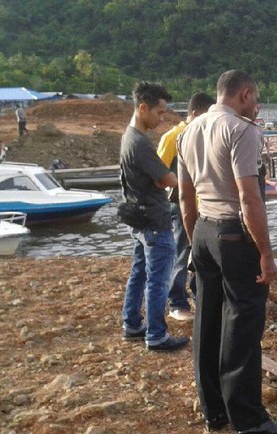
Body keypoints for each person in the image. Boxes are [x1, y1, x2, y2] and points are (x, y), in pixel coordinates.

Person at [177, 70, 277, 434]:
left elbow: (186, 199)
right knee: (242, 323)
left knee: (208, 319)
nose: (257, 107)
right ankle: (250, 420)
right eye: (256, 99)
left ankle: (213, 410)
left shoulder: (188, 132)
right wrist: (266, 253)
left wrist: (196, 242)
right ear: (244, 94)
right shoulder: (242, 131)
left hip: (203, 231)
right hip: (234, 234)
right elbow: (249, 198)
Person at [120, 81, 189, 352]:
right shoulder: (139, 143)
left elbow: (160, 179)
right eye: (159, 113)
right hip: (155, 222)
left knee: (139, 274)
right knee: (158, 280)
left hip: (140, 217)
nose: (162, 120)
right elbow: (167, 178)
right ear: (143, 108)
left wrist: (164, 180)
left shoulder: (129, 137)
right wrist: (173, 179)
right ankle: (157, 335)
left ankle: (132, 324)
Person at [157, 92, 216, 321]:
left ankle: (199, 297)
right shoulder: (173, 137)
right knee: (181, 254)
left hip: (203, 206)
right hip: (178, 205)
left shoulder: (205, 135)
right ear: (195, 113)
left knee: (199, 254)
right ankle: (177, 302)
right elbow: (157, 172)